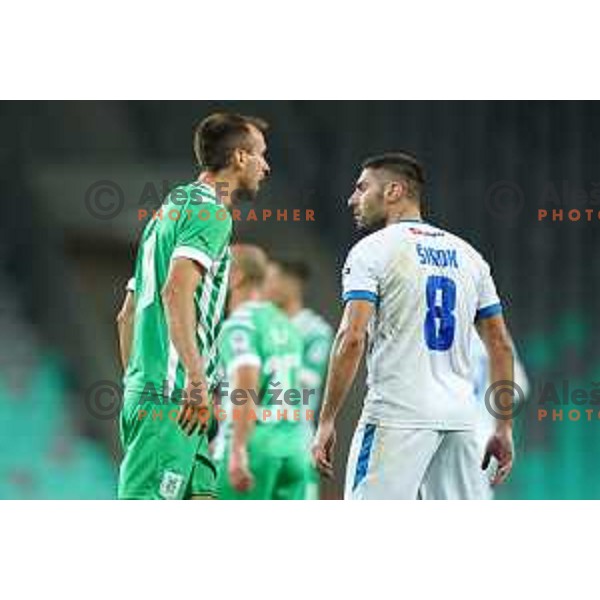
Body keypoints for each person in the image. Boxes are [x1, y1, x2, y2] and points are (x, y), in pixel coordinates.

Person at [312, 152, 514, 500]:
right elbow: (500, 344)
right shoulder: (469, 255)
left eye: (362, 188)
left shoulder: (371, 251)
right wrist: (503, 426)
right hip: (459, 419)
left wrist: (327, 419)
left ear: (393, 191)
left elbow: (352, 337)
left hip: (397, 415)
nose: (353, 199)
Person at [116, 112, 269, 499]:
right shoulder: (211, 212)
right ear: (238, 158)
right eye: (260, 155)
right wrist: (192, 382)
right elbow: (176, 291)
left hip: (168, 399)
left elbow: (127, 314)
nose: (265, 166)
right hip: (175, 398)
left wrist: (140, 386)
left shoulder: (167, 211)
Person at [214, 245, 309, 500]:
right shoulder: (286, 324)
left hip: (257, 450)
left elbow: (246, 383)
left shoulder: (240, 324)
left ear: (236, 276)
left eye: (217, 270)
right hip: (294, 449)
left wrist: (238, 449)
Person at [264, 258, 333, 499]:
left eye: (269, 279)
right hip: (260, 435)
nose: (264, 287)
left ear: (291, 284)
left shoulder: (315, 330)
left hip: (296, 436)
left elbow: (306, 385)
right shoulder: (262, 325)